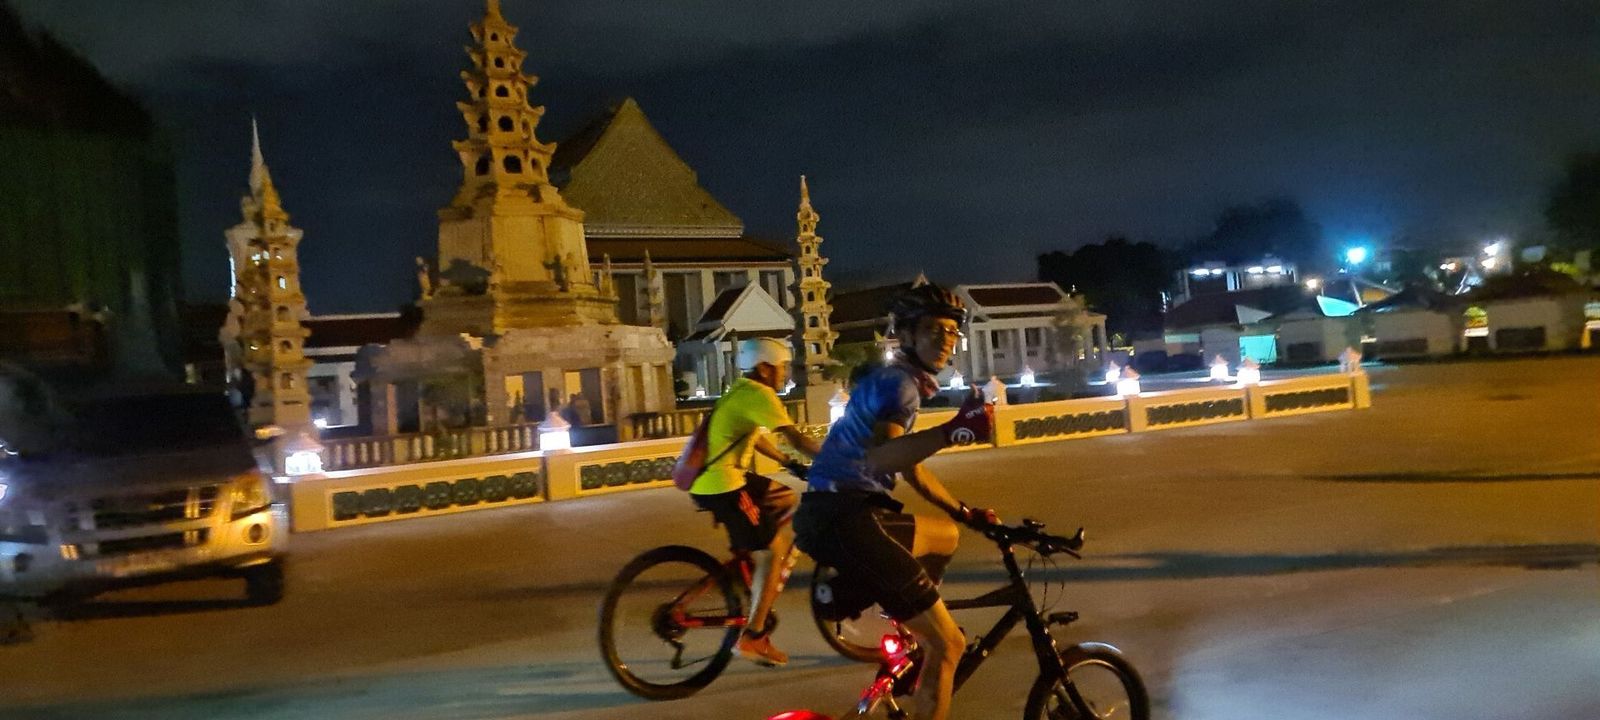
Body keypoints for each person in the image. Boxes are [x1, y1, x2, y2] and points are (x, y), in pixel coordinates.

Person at [793, 283, 996, 720]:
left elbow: (910, 467)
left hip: (829, 511)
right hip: (846, 516)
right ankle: (918, 623)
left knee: (945, 535)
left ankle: (906, 612)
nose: (945, 339)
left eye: (951, 331)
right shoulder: (901, 386)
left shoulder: (893, 380)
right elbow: (882, 456)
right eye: (933, 330)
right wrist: (952, 431)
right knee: (949, 644)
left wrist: (964, 512)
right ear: (906, 335)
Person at [689, 337, 822, 667]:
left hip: (715, 477)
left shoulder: (740, 389)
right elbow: (797, 438)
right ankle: (754, 635)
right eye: (782, 367)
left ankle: (751, 562)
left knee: (785, 497)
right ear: (764, 368)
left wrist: (787, 463)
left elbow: (754, 436)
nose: (785, 373)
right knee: (774, 550)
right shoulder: (761, 394)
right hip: (724, 485)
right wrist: (841, 458)